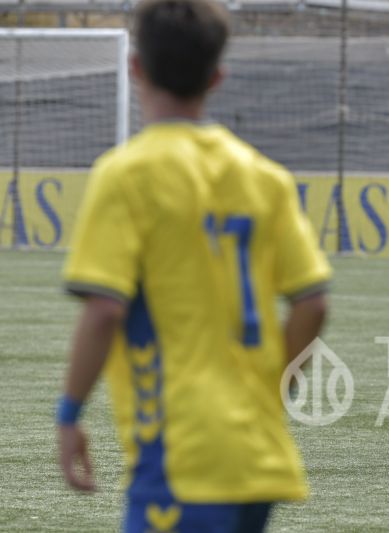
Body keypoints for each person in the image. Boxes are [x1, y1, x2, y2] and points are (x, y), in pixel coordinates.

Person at [55, 1, 331, 531]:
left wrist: (68, 415)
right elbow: (312, 302)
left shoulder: (125, 174)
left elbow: (104, 312)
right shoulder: (264, 176)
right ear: (217, 76)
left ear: (135, 67)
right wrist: (274, 387)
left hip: (181, 455)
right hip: (259, 451)